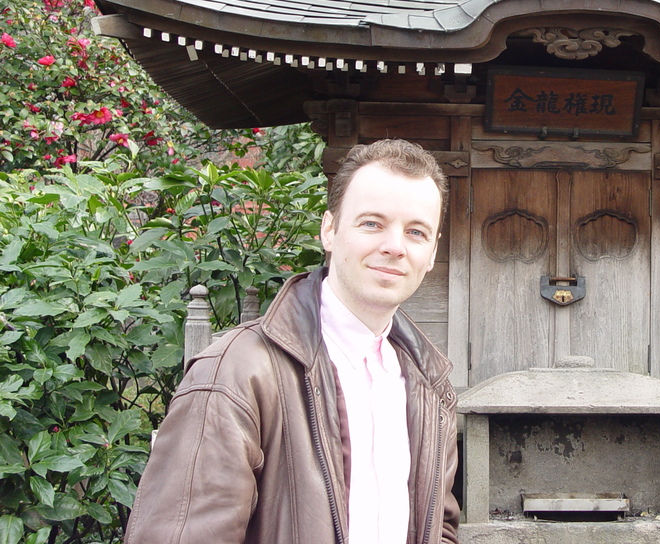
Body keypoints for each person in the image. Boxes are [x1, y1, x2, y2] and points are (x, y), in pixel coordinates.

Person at [124, 139, 460, 544]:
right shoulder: (237, 374)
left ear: (433, 250)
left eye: (416, 232)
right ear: (330, 230)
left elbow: (438, 526)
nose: (394, 246)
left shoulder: (430, 386)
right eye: (372, 223)